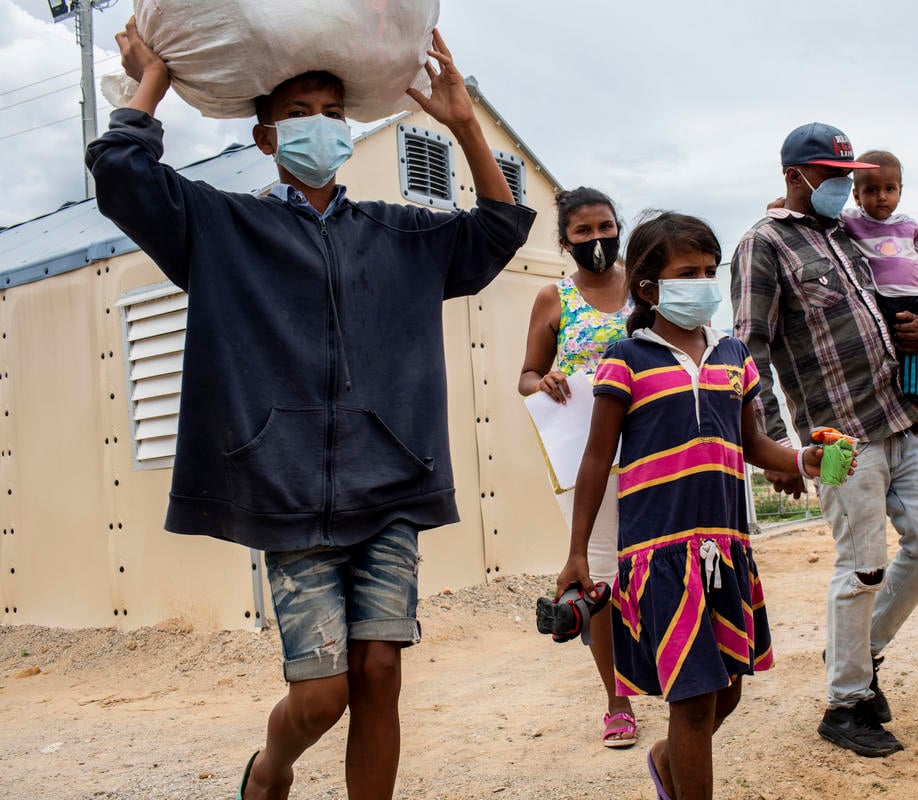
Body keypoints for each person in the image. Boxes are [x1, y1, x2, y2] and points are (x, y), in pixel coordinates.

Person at [86, 21, 534, 800]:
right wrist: (150, 80)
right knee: (323, 695)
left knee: (382, 670)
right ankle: (272, 769)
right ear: (266, 136)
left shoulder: (400, 234)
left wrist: (463, 124)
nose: (321, 125)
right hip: (285, 493)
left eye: (334, 111)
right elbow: (123, 175)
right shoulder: (221, 228)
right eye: (301, 111)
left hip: (392, 485)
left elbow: (496, 231)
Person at [556, 211, 829, 800]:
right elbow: (596, 459)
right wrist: (577, 552)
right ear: (650, 287)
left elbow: (752, 441)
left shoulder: (734, 356)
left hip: (725, 550)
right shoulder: (626, 358)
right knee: (696, 702)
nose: (703, 282)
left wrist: (803, 459)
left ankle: (665, 761)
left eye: (710, 270)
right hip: (660, 556)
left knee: (725, 691)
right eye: (688, 272)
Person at [731, 122, 918, 758]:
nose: (843, 186)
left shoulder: (850, 237)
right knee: (862, 565)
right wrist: (772, 444)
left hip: (899, 417)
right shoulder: (764, 245)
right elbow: (750, 348)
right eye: (831, 176)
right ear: (793, 177)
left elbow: (897, 309)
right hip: (838, 437)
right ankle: (847, 703)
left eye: (846, 176)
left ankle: (859, 651)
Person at [517, 187, 638, 747]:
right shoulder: (554, 298)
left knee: (661, 562)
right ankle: (618, 702)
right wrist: (543, 381)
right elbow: (526, 376)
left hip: (651, 448)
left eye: (605, 227)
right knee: (602, 578)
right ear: (564, 240)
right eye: (583, 232)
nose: (597, 240)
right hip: (585, 458)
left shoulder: (646, 284)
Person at [840, 150, 918, 412]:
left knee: (910, 350)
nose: (882, 196)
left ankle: (912, 403)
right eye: (872, 190)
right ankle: (882, 401)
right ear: (857, 195)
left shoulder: (911, 227)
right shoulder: (850, 221)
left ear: (900, 191)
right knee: (881, 349)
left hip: (913, 297)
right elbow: (816, 216)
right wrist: (783, 204)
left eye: (890, 188)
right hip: (878, 299)